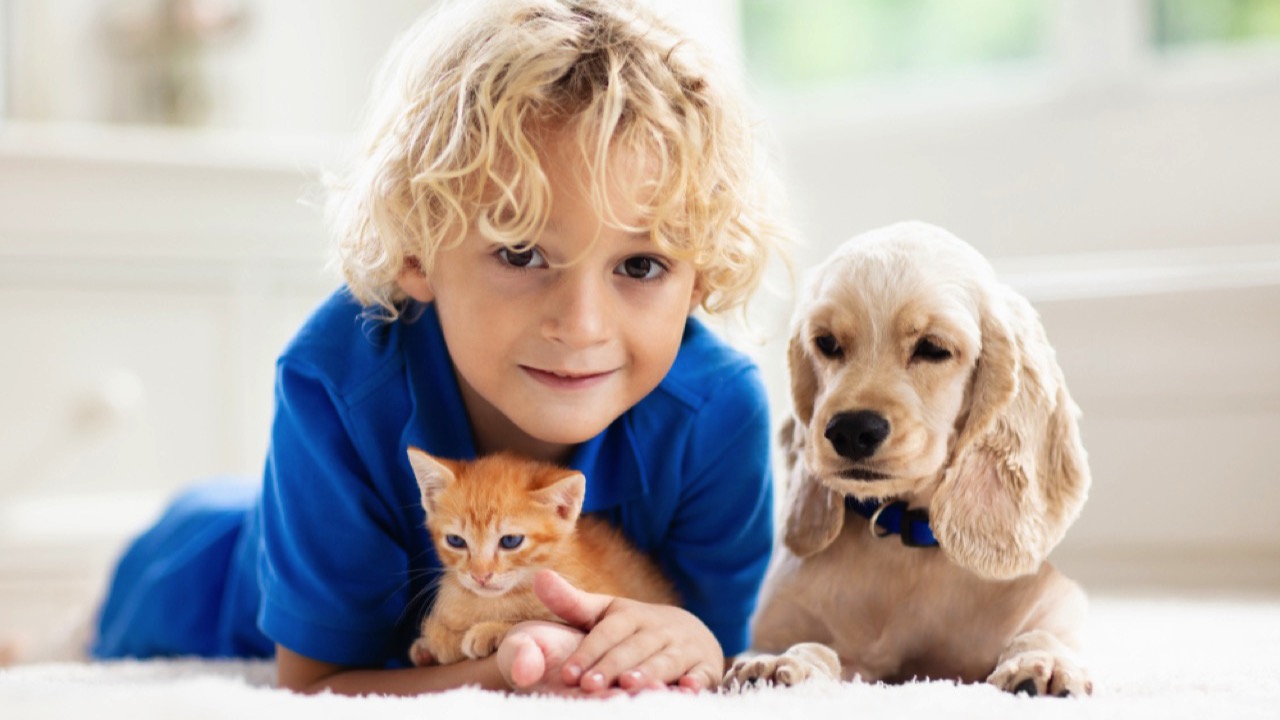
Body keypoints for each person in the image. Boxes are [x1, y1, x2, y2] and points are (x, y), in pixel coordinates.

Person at [91, 0, 790, 697]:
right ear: (419, 252)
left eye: (640, 266)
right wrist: (505, 670)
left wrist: (696, 640)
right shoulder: (334, 381)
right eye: (521, 253)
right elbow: (315, 685)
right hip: (205, 574)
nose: (582, 326)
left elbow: (719, 645)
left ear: (701, 276)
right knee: (117, 610)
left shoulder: (718, 412)